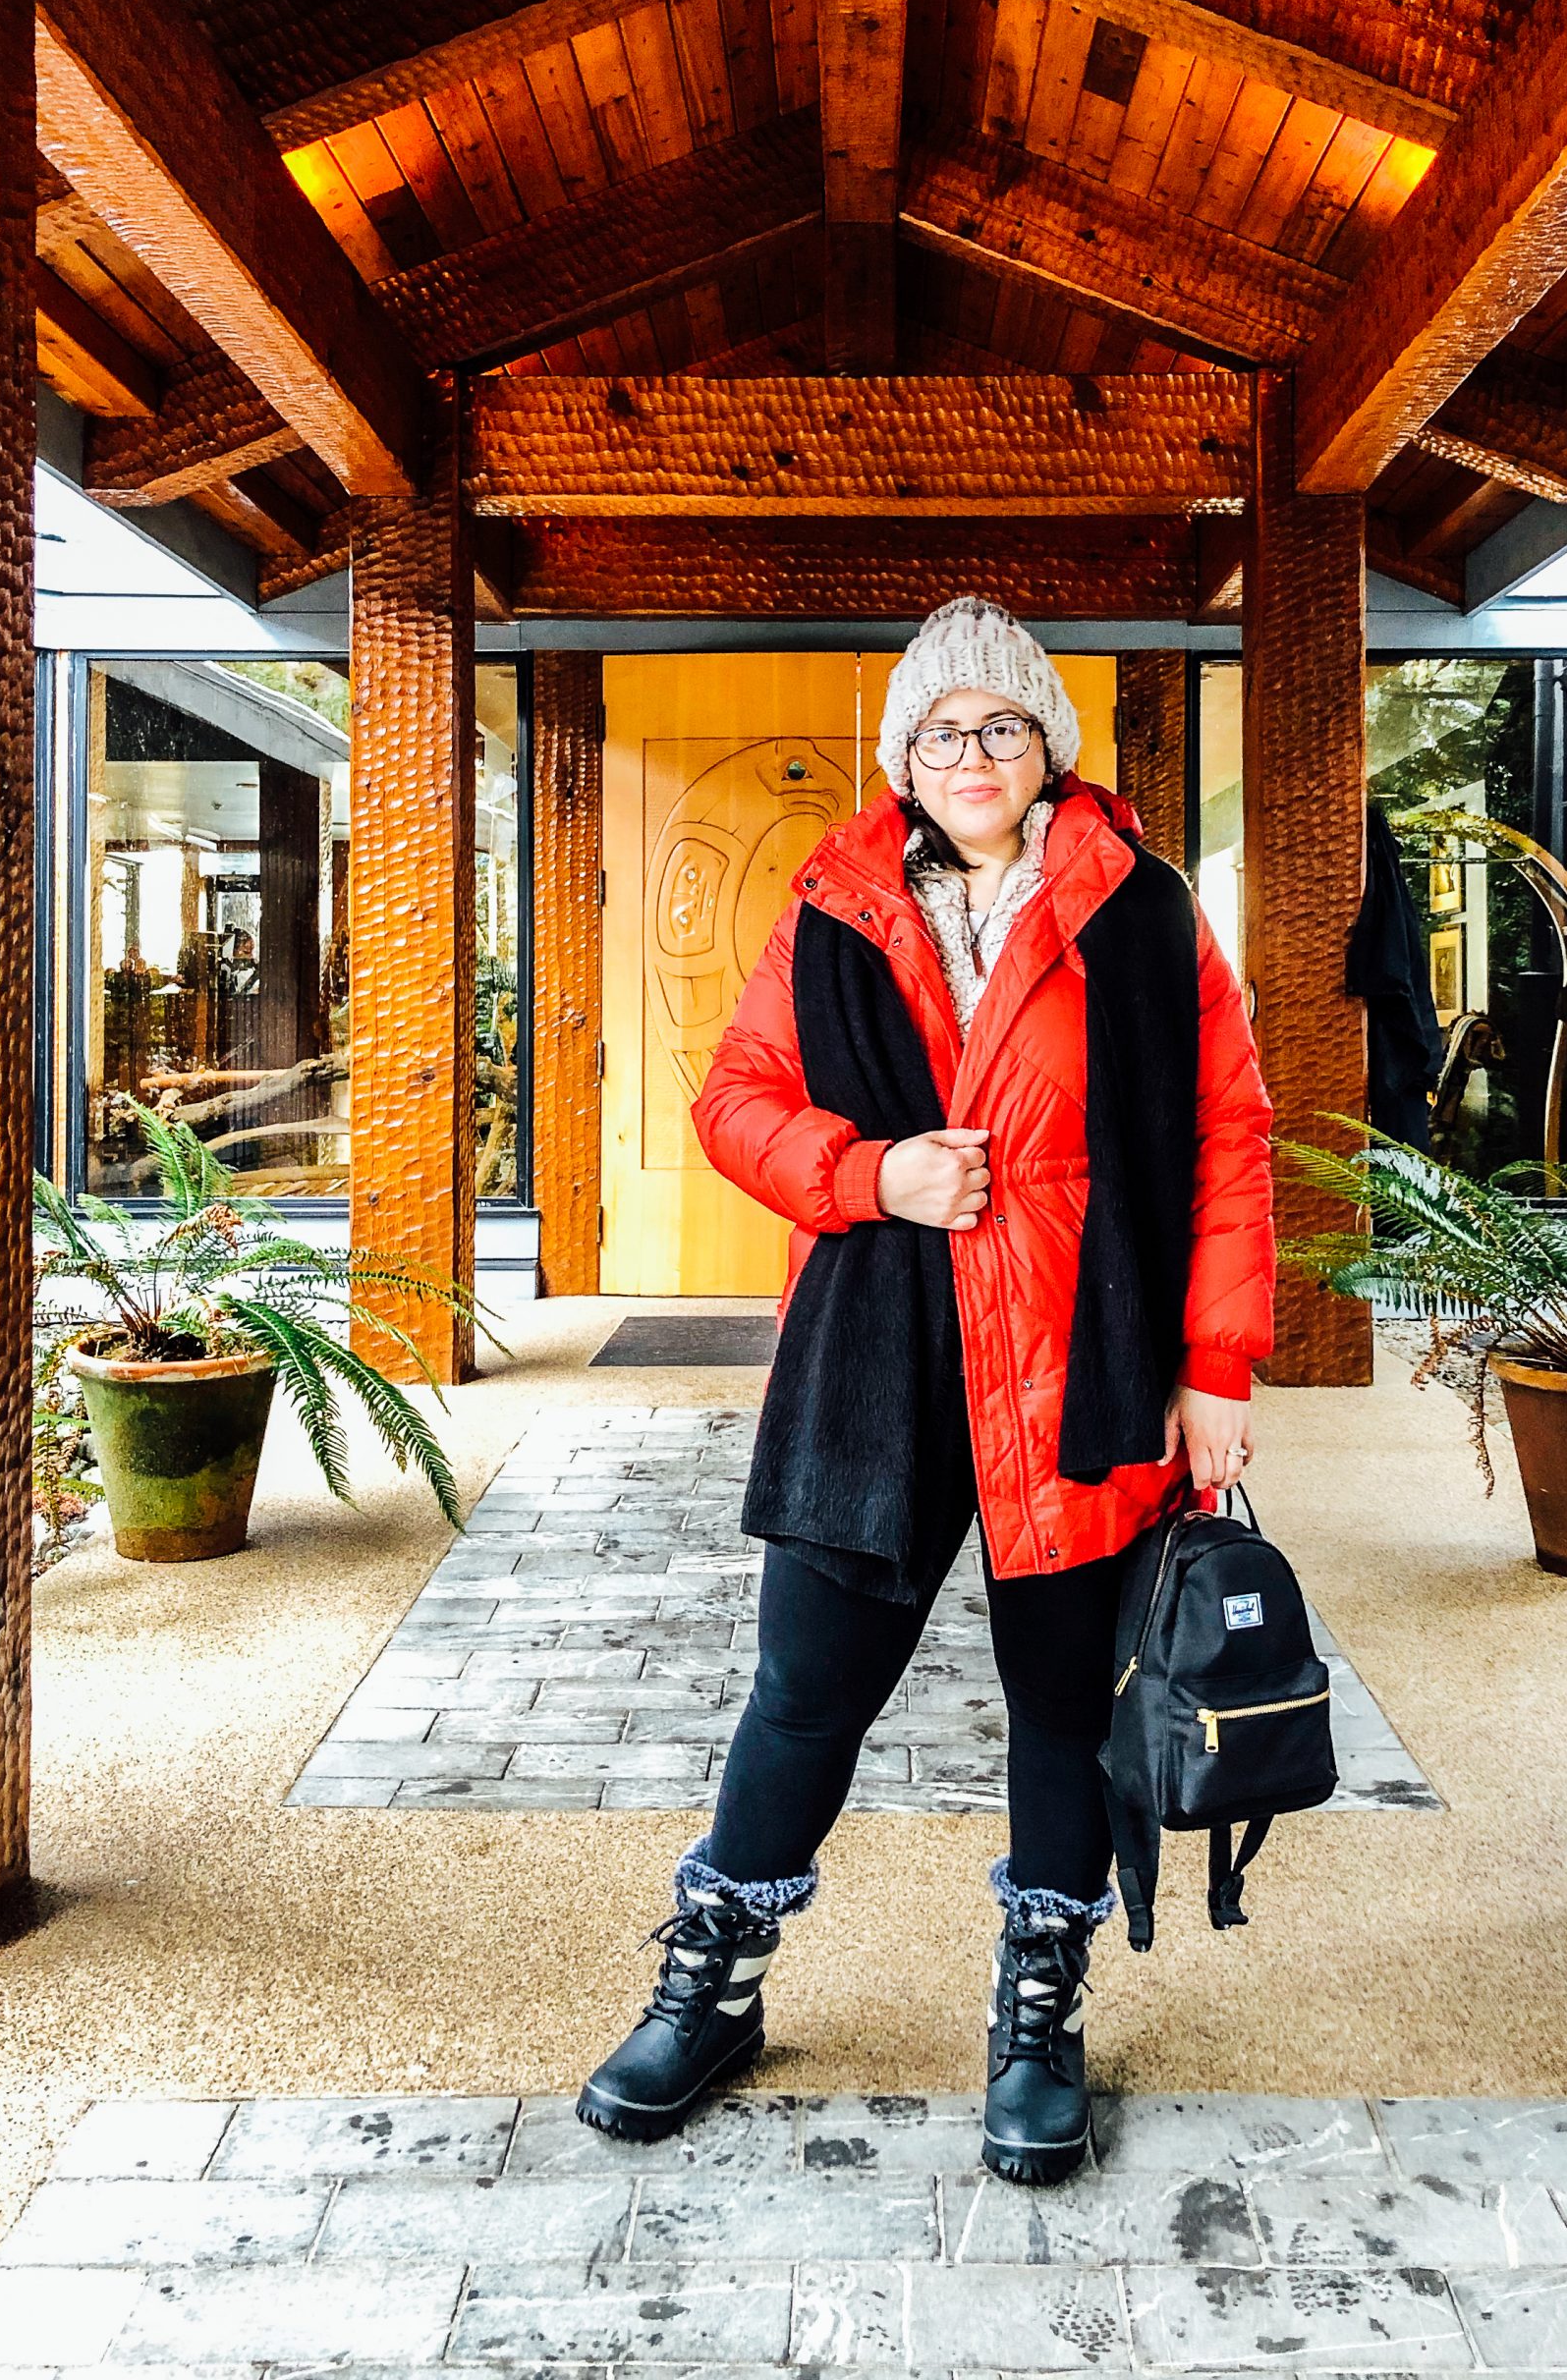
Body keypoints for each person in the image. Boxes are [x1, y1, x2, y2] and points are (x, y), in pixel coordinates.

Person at [578, 597, 1275, 2183]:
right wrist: (871, 1173)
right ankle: (713, 1984)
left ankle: (1040, 2014)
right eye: (944, 730)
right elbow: (734, 1101)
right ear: (906, 756)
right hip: (876, 1357)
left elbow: (1227, 1134)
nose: (974, 752)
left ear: (1048, 748)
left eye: (1003, 724)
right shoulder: (831, 904)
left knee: (1062, 1710)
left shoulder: (1147, 910)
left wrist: (1217, 1365)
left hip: (1083, 1359)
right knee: (805, 1690)